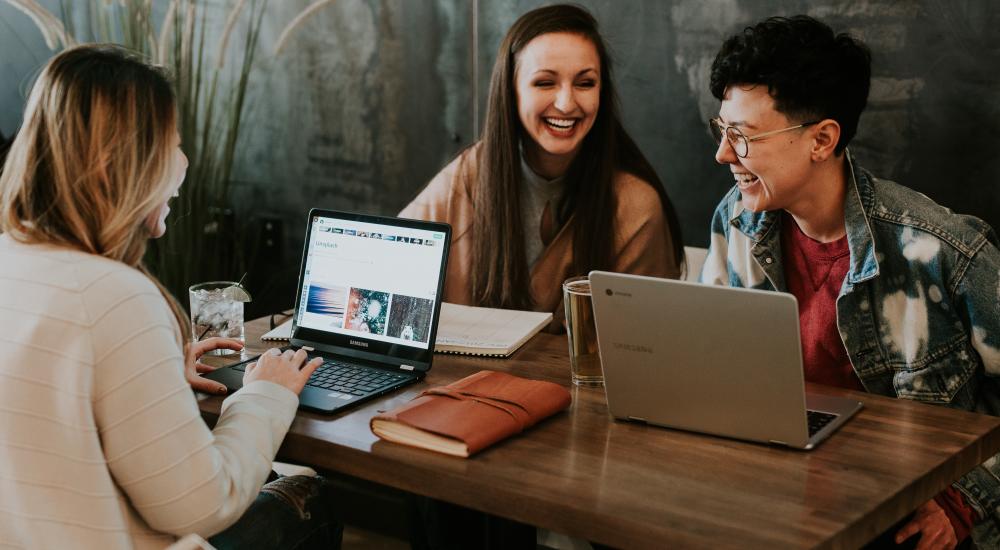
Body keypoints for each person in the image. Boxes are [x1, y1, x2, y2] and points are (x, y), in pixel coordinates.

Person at [0, 45, 342, 549]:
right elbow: (202, 505)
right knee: (312, 495)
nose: (183, 163)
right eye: (172, 145)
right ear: (115, 165)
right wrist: (264, 395)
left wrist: (152, 375)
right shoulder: (115, 297)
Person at [701, 15, 1000, 549]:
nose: (723, 153)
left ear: (822, 139)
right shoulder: (737, 219)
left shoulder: (942, 251)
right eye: (721, 130)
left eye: (742, 136)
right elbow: (715, 372)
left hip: (904, 513)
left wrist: (962, 504)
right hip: (781, 498)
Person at [401, 3, 685, 327]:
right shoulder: (469, 174)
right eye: (545, 83)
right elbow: (389, 267)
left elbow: (646, 340)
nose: (566, 103)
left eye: (585, 83)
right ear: (511, 91)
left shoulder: (636, 206)